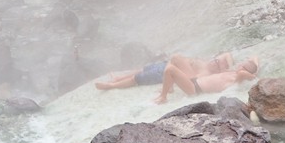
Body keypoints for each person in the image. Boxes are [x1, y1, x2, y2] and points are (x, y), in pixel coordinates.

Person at [95, 52, 233, 91]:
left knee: (137, 78)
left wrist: (170, 85)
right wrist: (227, 63)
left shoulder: (206, 74)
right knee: (143, 68)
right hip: (167, 64)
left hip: (168, 72)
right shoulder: (206, 62)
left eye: (217, 63)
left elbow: (190, 80)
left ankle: (111, 86)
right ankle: (117, 79)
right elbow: (227, 54)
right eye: (216, 59)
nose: (214, 61)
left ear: (219, 69)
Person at [154, 57, 259, 104]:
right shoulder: (231, 72)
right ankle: (169, 88)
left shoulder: (237, 79)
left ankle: (163, 97)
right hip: (195, 80)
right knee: (175, 58)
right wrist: (253, 66)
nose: (240, 65)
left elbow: (243, 73)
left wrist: (253, 73)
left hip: (194, 88)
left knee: (169, 70)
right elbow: (255, 57)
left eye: (243, 65)